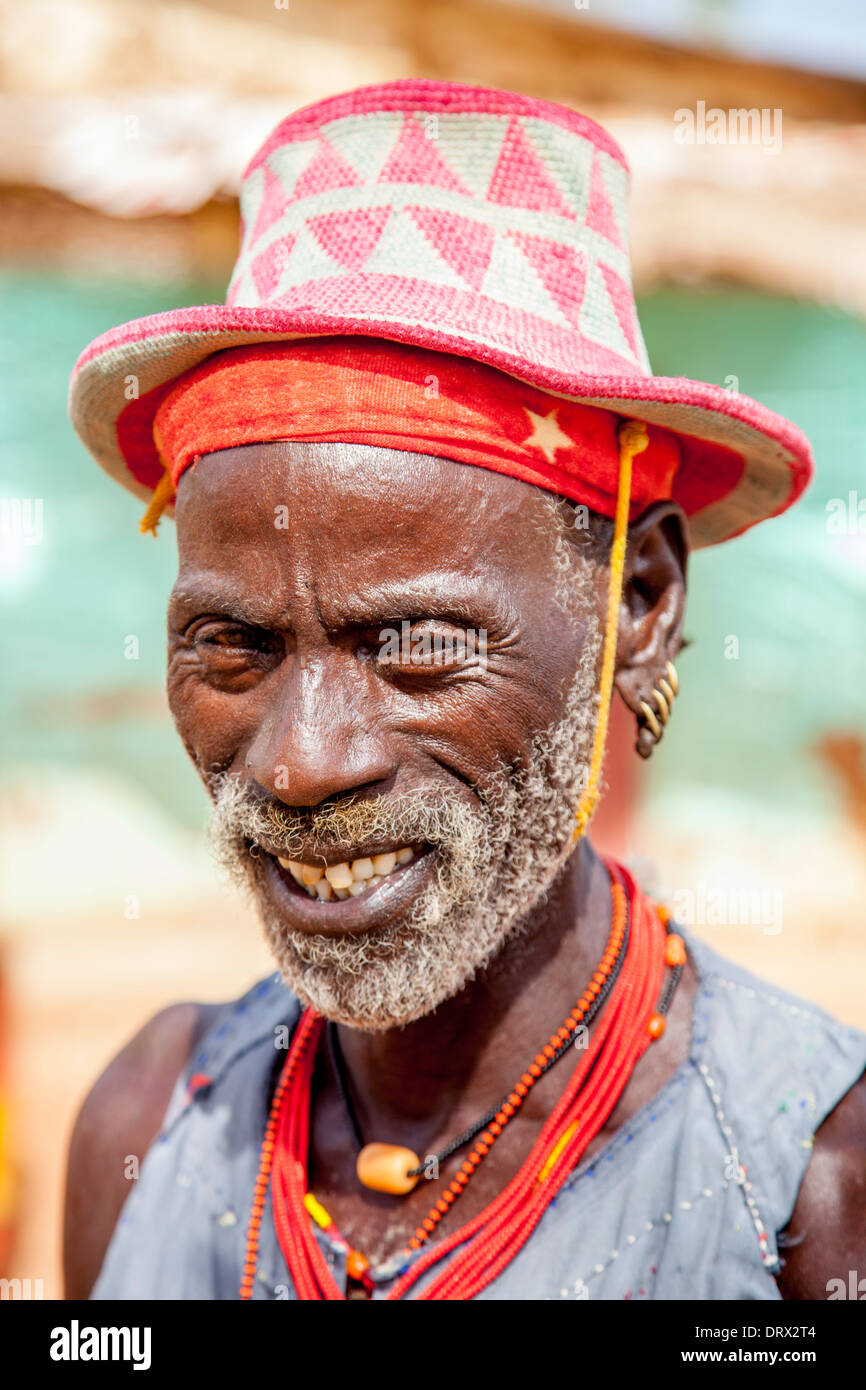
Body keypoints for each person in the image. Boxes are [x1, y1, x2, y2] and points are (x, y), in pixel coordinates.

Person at [64, 79, 866, 1301]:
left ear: (638, 604)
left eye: (418, 645)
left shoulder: (809, 1194)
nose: (298, 764)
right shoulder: (143, 1126)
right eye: (232, 645)